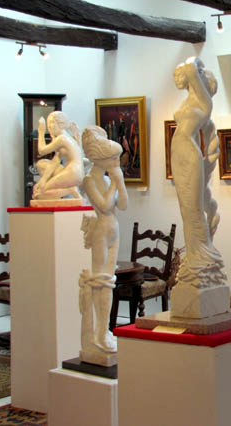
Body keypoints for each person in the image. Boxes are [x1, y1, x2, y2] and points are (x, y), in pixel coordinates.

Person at [171, 56, 226, 289]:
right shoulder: (189, 100)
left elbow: (192, 67)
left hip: (189, 152)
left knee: (193, 207)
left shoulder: (204, 103)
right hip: (177, 152)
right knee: (185, 209)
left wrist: (193, 64)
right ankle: (193, 258)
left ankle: (202, 255)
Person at [79, 125, 128, 356]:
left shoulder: (109, 180)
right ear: (100, 159)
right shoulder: (89, 180)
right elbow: (105, 206)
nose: (116, 162)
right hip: (100, 231)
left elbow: (123, 205)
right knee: (101, 281)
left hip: (113, 230)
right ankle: (98, 333)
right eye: (113, 158)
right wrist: (116, 183)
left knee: (109, 281)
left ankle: (105, 330)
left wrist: (120, 182)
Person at [32, 111, 84, 201]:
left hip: (73, 172)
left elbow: (41, 151)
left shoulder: (62, 138)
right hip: (74, 172)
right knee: (41, 164)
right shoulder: (65, 138)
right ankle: (70, 190)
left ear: (61, 124)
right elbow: (55, 161)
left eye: (52, 123)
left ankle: (70, 190)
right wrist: (43, 180)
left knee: (40, 194)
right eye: (48, 124)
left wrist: (41, 131)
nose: (49, 127)